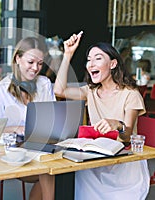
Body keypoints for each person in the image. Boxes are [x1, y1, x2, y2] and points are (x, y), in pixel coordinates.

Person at [54, 32, 150, 199]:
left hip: (124, 164)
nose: (91, 64)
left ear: (113, 64)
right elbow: (59, 90)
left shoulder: (130, 94)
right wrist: (68, 54)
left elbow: (127, 137)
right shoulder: (90, 91)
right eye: (89, 59)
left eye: (97, 58)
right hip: (96, 159)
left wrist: (118, 125)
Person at [0, 37, 55, 200]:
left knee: (53, 165)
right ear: (18, 58)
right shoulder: (0, 90)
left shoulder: (44, 84)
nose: (36, 68)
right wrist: (17, 129)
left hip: (39, 148)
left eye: (39, 63)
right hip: (12, 153)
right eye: (31, 62)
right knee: (49, 168)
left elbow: (53, 118)